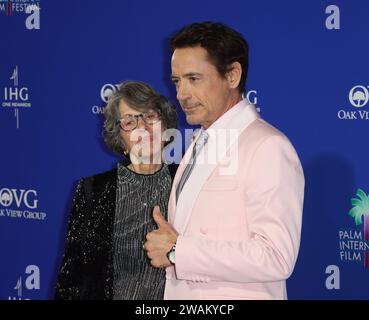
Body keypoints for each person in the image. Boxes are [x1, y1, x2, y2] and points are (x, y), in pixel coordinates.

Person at [144, 22, 305, 300]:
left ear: (232, 75)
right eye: (177, 81)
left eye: (194, 79)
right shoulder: (200, 139)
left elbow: (276, 256)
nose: (182, 94)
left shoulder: (268, 146)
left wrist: (177, 251)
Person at [55, 81, 178, 300]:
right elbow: (71, 278)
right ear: (120, 139)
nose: (143, 128)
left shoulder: (187, 182)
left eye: (150, 116)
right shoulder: (93, 190)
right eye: (130, 122)